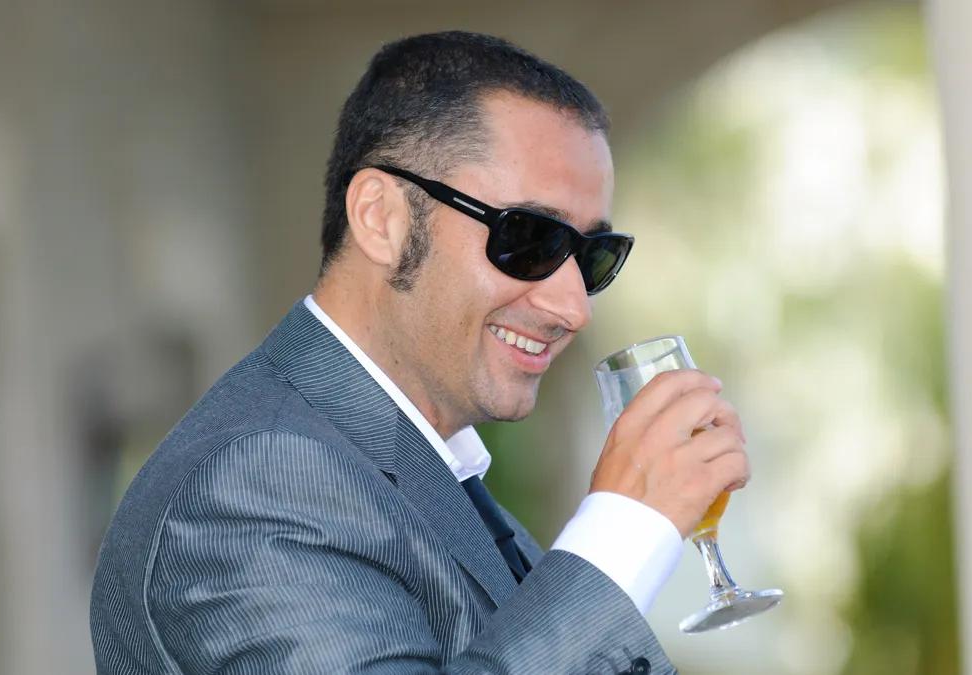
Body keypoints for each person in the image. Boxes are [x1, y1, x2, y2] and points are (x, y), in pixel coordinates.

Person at [90, 31, 750, 675]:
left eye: (593, 256)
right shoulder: (256, 480)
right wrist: (623, 527)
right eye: (530, 238)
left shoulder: (429, 479)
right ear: (382, 217)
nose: (574, 306)